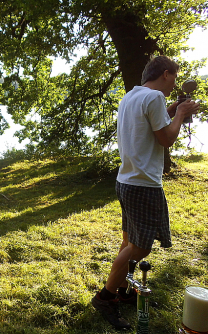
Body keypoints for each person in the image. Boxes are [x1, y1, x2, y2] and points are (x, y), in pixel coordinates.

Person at [91, 55, 200, 329]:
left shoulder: (130, 97)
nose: (175, 83)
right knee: (139, 248)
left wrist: (175, 109)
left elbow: (151, 123)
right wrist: (182, 114)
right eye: (174, 77)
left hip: (126, 180)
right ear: (165, 74)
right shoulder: (155, 99)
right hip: (143, 184)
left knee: (129, 242)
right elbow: (166, 138)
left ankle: (122, 290)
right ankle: (105, 297)